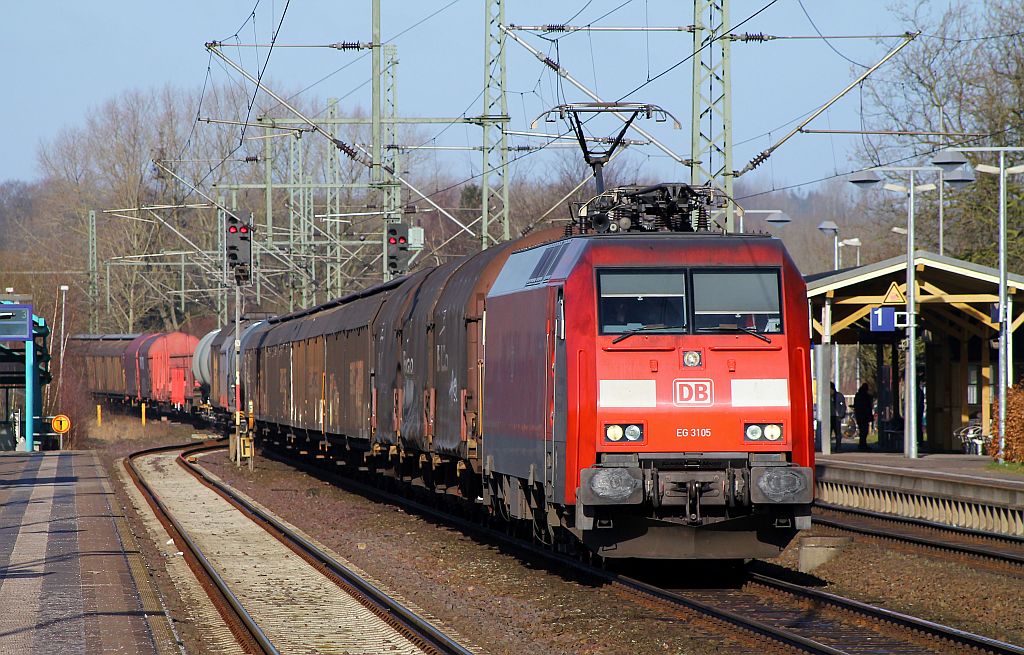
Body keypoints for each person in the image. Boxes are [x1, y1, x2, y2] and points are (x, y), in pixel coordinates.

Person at [853, 383, 873, 451]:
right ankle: (863, 444)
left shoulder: (858, 395)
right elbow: (868, 407)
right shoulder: (866, 396)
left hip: (860, 416)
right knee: (864, 431)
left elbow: (856, 405)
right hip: (864, 416)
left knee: (862, 431)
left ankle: (862, 444)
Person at [830, 382, 847, 450]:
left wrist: (841, 415)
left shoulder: (839, 396)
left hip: (836, 417)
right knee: (829, 433)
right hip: (829, 417)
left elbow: (843, 406)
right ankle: (828, 446)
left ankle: (838, 446)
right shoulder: (827, 396)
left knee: (837, 433)